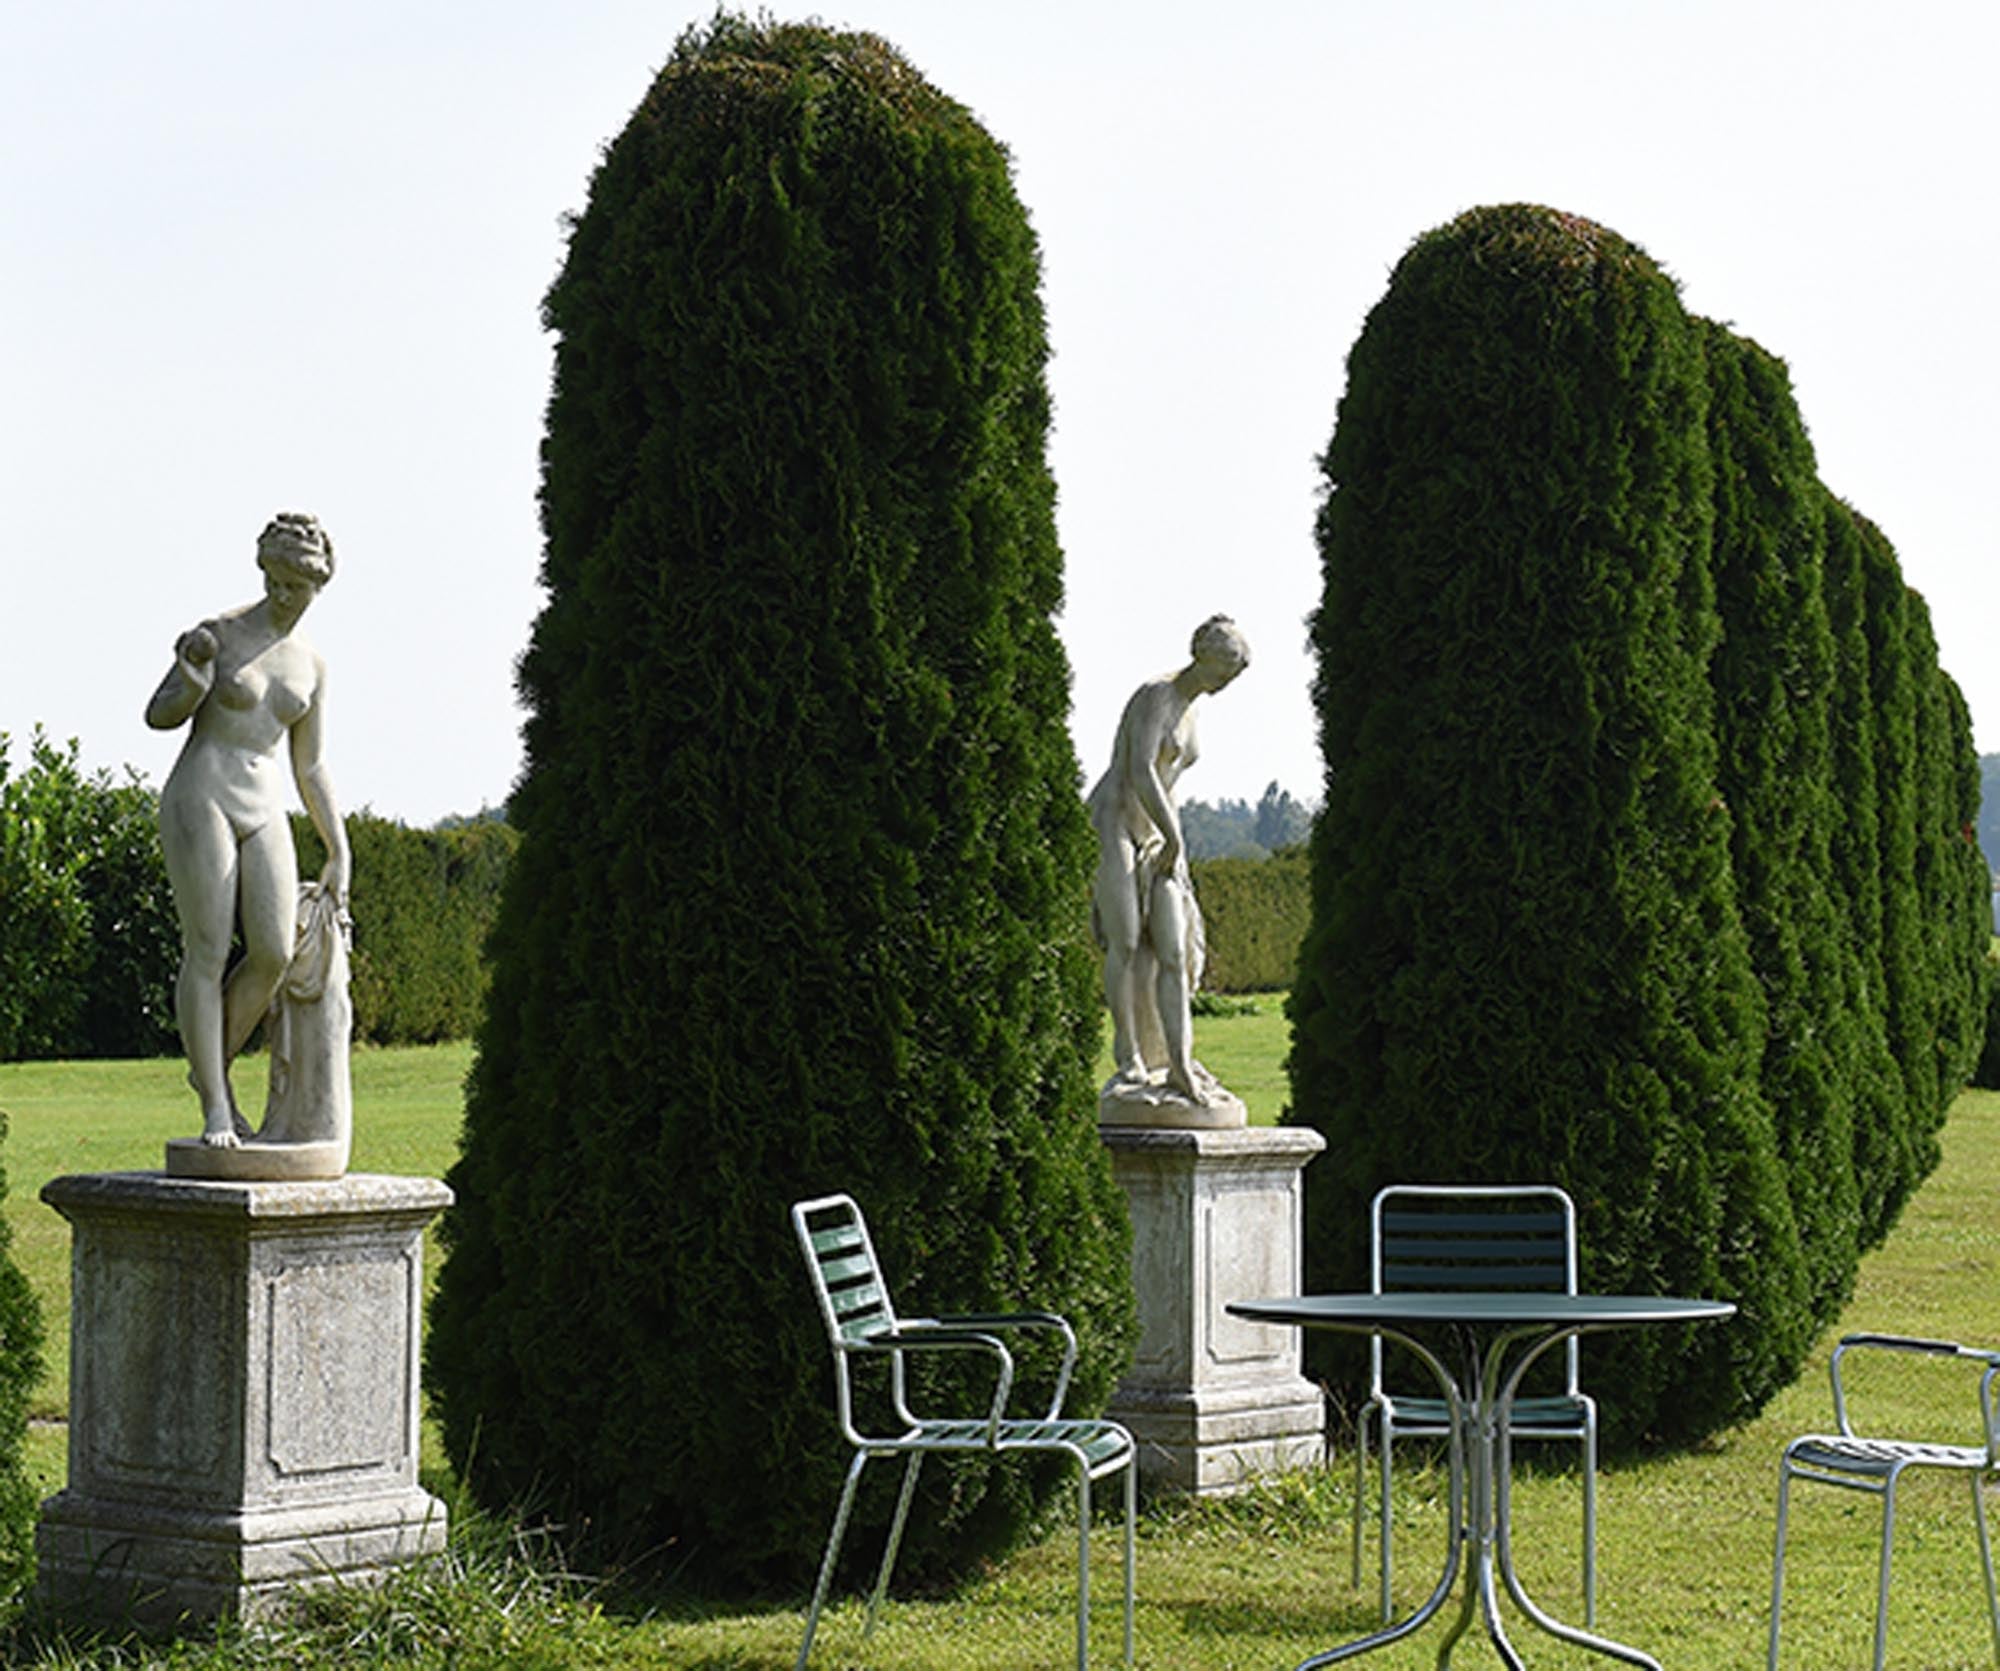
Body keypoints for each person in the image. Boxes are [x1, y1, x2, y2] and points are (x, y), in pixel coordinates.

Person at [146, 513, 349, 1149]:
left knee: (272, 952)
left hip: (265, 807)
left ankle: (207, 1065)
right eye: (278, 581)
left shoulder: (311, 665)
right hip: (201, 794)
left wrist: (339, 848)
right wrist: (194, 683)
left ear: (318, 585)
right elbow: (158, 715)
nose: (286, 595)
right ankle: (216, 1104)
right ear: (264, 571)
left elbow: (310, 766)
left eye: (299, 586)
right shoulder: (220, 634)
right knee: (207, 948)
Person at [1086, 614, 1250, 1105]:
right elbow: (1139, 770)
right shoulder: (1156, 695)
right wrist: (1174, 837)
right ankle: (1129, 1053)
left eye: (1234, 672)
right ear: (1202, 654)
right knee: (1129, 941)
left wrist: (1173, 844)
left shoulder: (1193, 711)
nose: (1226, 680)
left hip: (1158, 835)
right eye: (1224, 666)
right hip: (1115, 822)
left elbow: (1169, 783)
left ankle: (1177, 1062)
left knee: (1175, 950)